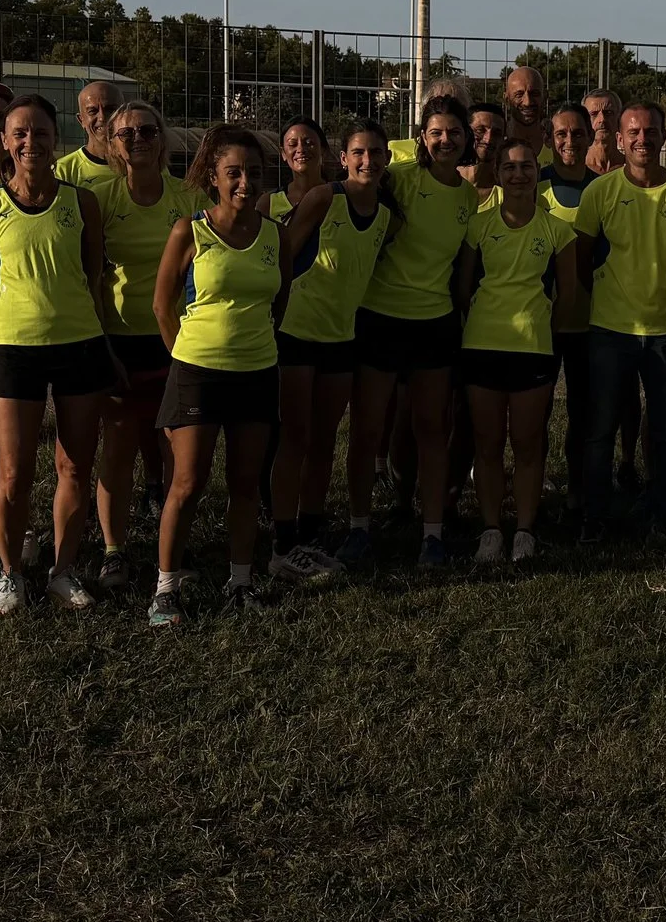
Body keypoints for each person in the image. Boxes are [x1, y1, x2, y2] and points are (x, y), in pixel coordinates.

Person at [0, 94, 121, 616]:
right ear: (5, 142)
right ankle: (10, 574)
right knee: (13, 474)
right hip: (15, 350)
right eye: (20, 133)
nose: (30, 141)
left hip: (79, 345)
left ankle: (62, 571)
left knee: (74, 467)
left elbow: (93, 278)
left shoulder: (82, 203)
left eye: (40, 132)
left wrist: (103, 343)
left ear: (56, 139)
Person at [150, 125, 287, 625]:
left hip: (257, 372)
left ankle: (241, 581)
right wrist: (186, 358)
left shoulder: (275, 234)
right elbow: (162, 306)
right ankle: (165, 591)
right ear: (214, 176)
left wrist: (255, 343)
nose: (245, 183)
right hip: (197, 374)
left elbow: (280, 299)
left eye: (254, 172)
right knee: (187, 483)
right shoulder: (189, 231)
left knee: (246, 483)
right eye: (234, 173)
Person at [344, 95, 476, 566]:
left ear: (466, 139)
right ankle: (358, 528)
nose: (446, 140)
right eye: (436, 132)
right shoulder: (397, 179)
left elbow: (461, 272)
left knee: (432, 430)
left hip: (435, 324)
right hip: (379, 317)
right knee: (367, 430)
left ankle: (432, 536)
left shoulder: (468, 198)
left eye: (454, 132)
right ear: (422, 137)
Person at [572, 101, 666, 541]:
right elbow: (581, 259)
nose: (642, 139)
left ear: (665, 136)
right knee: (601, 430)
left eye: (650, 131)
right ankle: (595, 516)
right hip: (610, 330)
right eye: (633, 132)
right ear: (619, 139)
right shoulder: (600, 192)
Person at [91, 101, 207, 592]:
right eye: (125, 133)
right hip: (120, 339)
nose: (137, 139)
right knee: (117, 448)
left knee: (178, 453)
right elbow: (91, 277)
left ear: (162, 138)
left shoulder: (188, 198)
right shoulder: (100, 199)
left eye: (147, 130)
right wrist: (101, 343)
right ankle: (113, 551)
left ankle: (174, 551)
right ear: (111, 144)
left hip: (178, 341)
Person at [270, 122, 395, 576]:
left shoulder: (386, 215)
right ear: (343, 158)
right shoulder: (325, 197)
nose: (367, 160)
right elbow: (282, 254)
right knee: (295, 437)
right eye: (358, 152)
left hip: (341, 339)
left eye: (376, 152)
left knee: (324, 440)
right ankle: (282, 542)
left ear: (387, 159)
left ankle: (309, 532)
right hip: (297, 332)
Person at [455, 139, 579, 563]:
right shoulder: (478, 226)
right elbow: (463, 288)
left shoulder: (558, 230)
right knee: (487, 444)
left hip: (533, 349)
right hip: (482, 346)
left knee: (527, 444)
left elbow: (567, 295)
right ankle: (491, 529)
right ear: (498, 174)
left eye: (526, 166)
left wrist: (545, 332)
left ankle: (525, 530)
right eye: (509, 167)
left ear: (536, 173)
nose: (519, 174)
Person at [538, 103, 615, 504]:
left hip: (590, 320)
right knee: (538, 410)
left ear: (590, 136)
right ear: (549, 139)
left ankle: (578, 487)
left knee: (584, 410)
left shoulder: (603, 188)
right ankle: (535, 482)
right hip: (541, 322)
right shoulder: (533, 184)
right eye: (561, 134)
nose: (569, 141)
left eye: (577, 133)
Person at [55, 81, 124, 193]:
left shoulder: (139, 163)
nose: (102, 117)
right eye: (93, 111)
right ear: (81, 120)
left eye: (110, 109)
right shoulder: (63, 170)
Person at [269, 117, 331, 219]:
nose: (301, 149)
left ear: (323, 149)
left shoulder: (341, 198)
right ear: (283, 153)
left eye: (309, 143)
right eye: (292, 144)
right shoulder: (268, 204)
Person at [501, 64, 554, 163]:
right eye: (519, 95)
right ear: (507, 99)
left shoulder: (559, 144)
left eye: (534, 94)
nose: (527, 102)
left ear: (545, 97)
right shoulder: (495, 143)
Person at [464, 101, 507, 195]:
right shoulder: (444, 180)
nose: (488, 139)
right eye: (480, 130)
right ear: (465, 133)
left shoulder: (506, 192)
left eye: (496, 133)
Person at [581, 88, 625, 174]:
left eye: (608, 113)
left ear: (619, 117)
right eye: (593, 114)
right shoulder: (575, 168)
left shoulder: (632, 168)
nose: (602, 119)